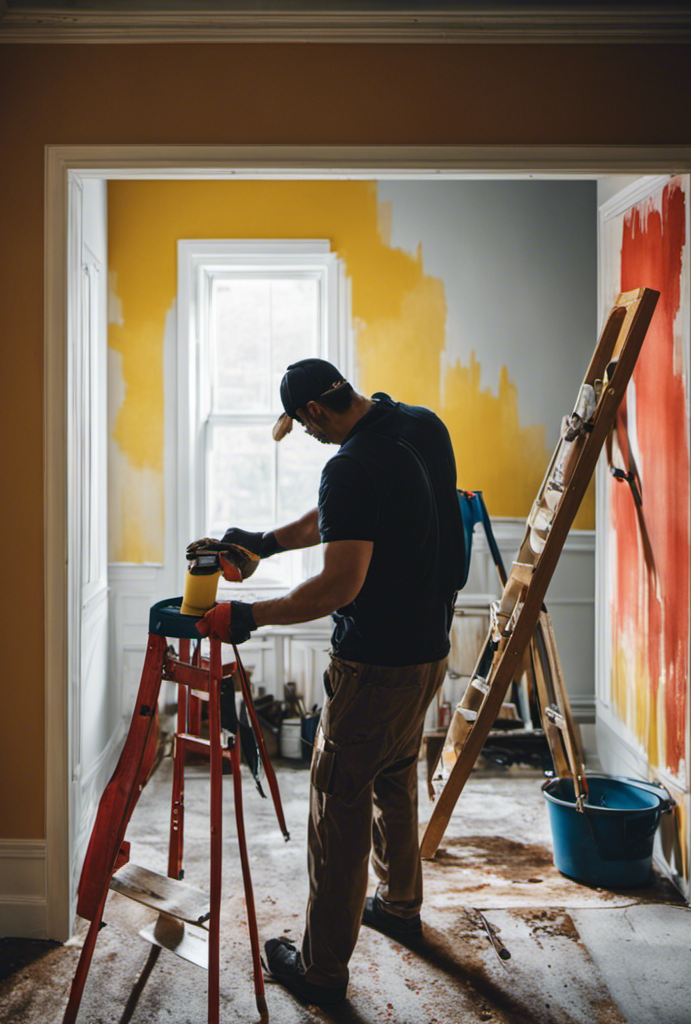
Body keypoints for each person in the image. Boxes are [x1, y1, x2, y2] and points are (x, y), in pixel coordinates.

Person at [195, 358, 463, 1007]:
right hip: (429, 652)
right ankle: (399, 905)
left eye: (302, 426)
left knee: (337, 803)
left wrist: (250, 616)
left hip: (374, 667)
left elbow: (341, 583)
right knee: (394, 777)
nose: (308, 436)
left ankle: (319, 972)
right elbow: (344, 517)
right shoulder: (421, 427)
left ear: (314, 414)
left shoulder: (347, 466)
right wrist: (264, 542)